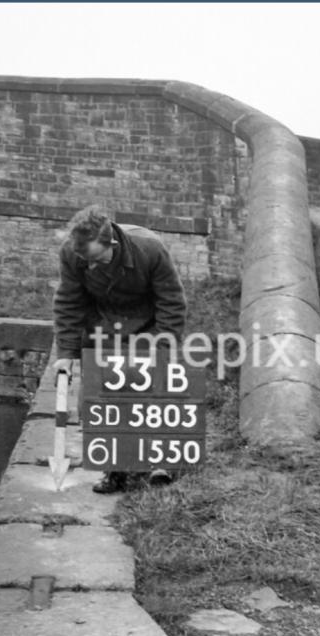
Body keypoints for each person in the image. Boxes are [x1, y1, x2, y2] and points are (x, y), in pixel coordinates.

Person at [53, 205, 188, 494]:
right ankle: (114, 470)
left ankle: (159, 463)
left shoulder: (150, 251)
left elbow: (172, 303)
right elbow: (69, 302)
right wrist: (65, 354)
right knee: (95, 405)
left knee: (150, 394)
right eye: (84, 261)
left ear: (111, 244)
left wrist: (160, 348)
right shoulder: (73, 254)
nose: (89, 267)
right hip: (100, 328)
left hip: (147, 327)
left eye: (96, 260)